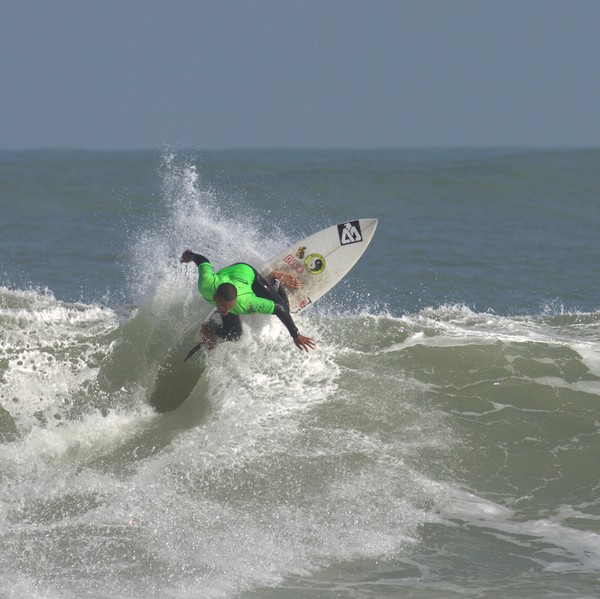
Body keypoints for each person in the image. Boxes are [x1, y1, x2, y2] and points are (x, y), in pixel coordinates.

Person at [180, 250, 316, 352]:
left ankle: (275, 278)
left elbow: (279, 308)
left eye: (229, 307)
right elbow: (203, 261)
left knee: (286, 308)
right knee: (234, 336)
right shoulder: (206, 284)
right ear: (215, 298)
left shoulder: (245, 301)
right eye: (223, 307)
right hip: (228, 277)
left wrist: (295, 335)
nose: (226, 311)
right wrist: (190, 255)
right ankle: (209, 328)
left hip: (246, 273)